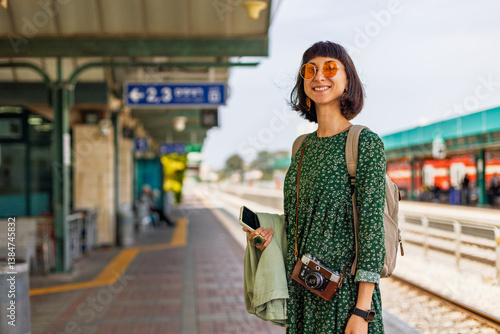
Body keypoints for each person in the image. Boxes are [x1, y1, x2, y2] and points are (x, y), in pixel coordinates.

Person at [243, 41, 386, 333]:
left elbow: (372, 230)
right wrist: (269, 236)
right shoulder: (301, 147)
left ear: (348, 81)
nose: (319, 76)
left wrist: (362, 310)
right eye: (310, 70)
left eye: (330, 68)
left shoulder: (365, 143)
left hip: (344, 298)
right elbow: (301, 223)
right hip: (303, 291)